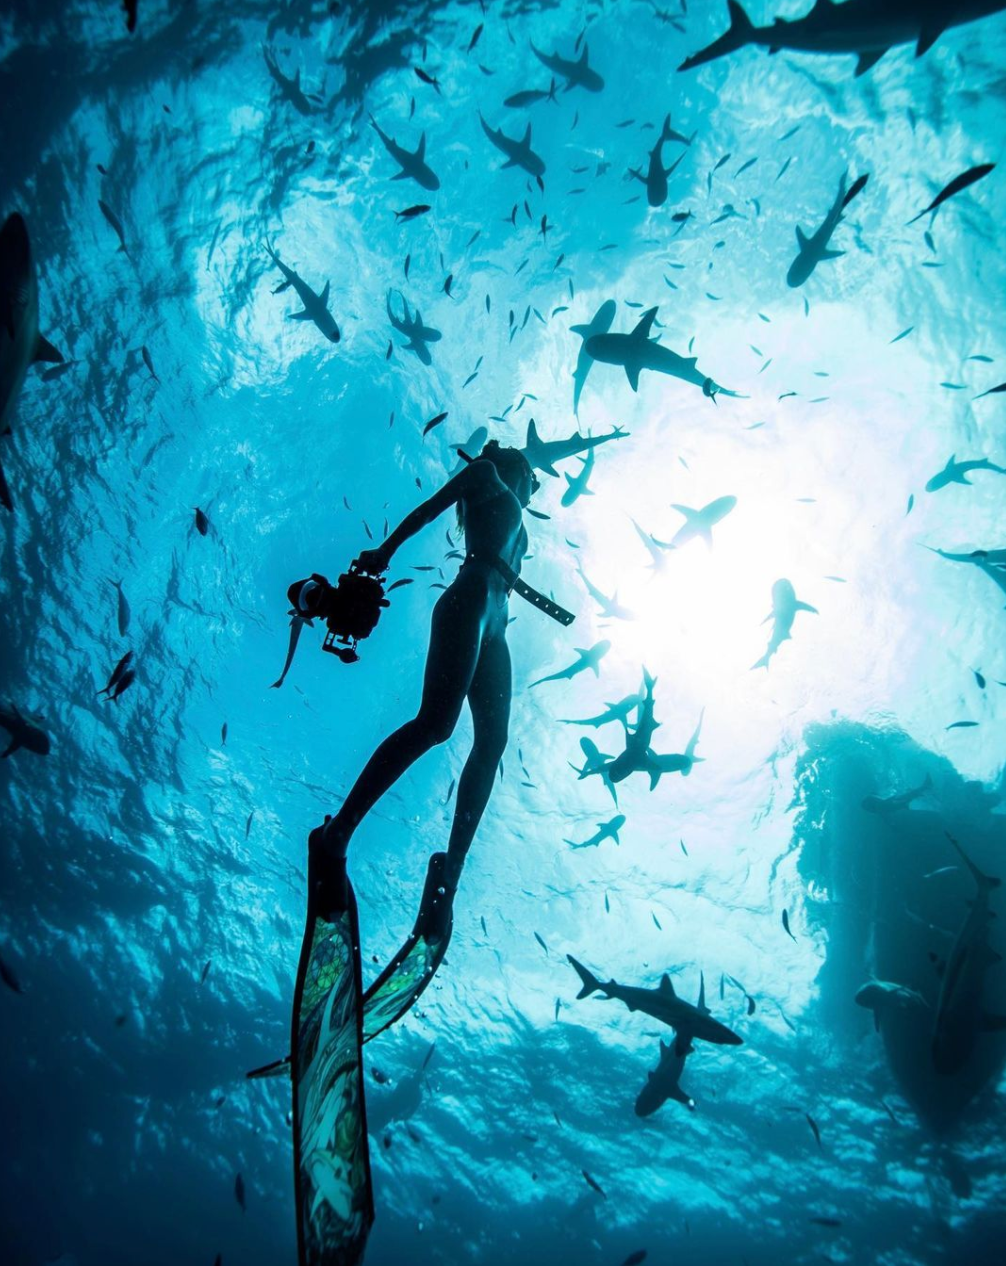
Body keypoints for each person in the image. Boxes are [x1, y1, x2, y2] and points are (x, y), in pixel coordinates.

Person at [310, 440, 541, 915]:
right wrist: (386, 550)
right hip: (469, 599)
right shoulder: (485, 474)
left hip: (496, 622)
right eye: (532, 476)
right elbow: (431, 508)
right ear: (514, 465)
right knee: (435, 725)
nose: (535, 485)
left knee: (492, 743)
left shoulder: (521, 529)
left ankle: (447, 881)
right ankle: (335, 838)